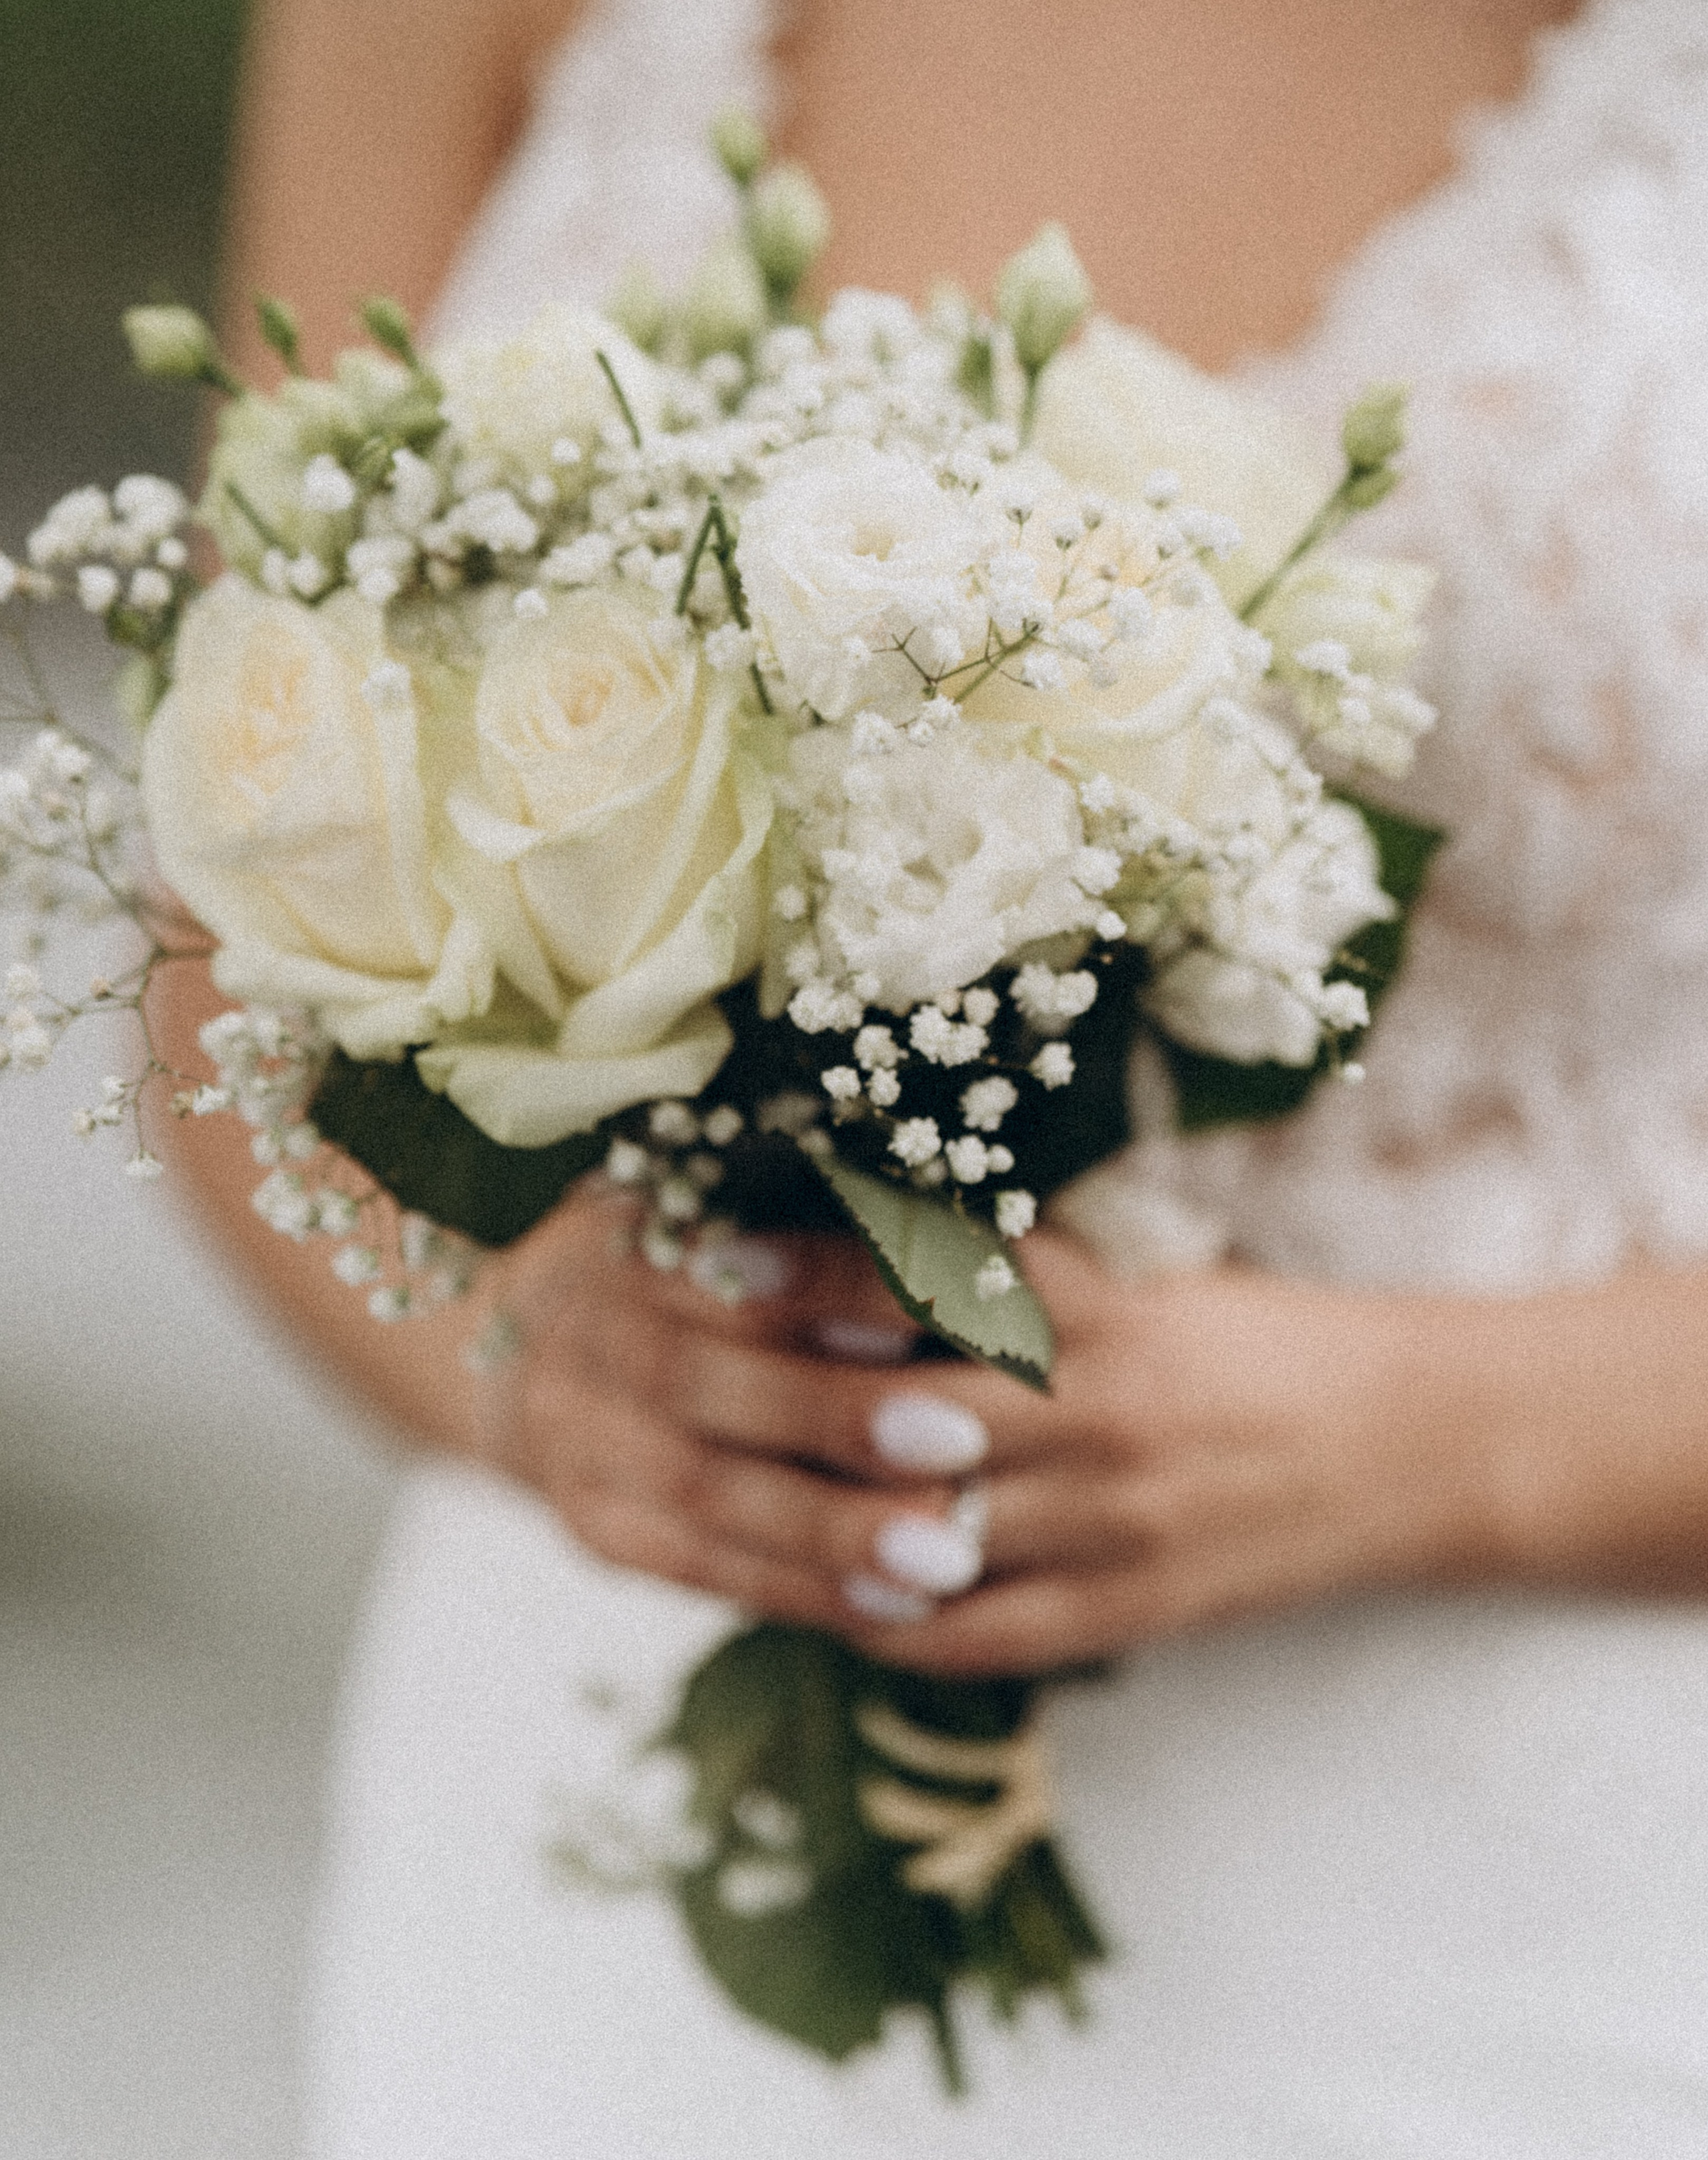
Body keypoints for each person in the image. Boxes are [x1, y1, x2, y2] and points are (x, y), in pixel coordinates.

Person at [157, 0, 1708, 2149]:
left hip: (1517, 1913)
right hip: (617, 1846)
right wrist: (541, 1366)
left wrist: (1420, 1445)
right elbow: (215, 921)